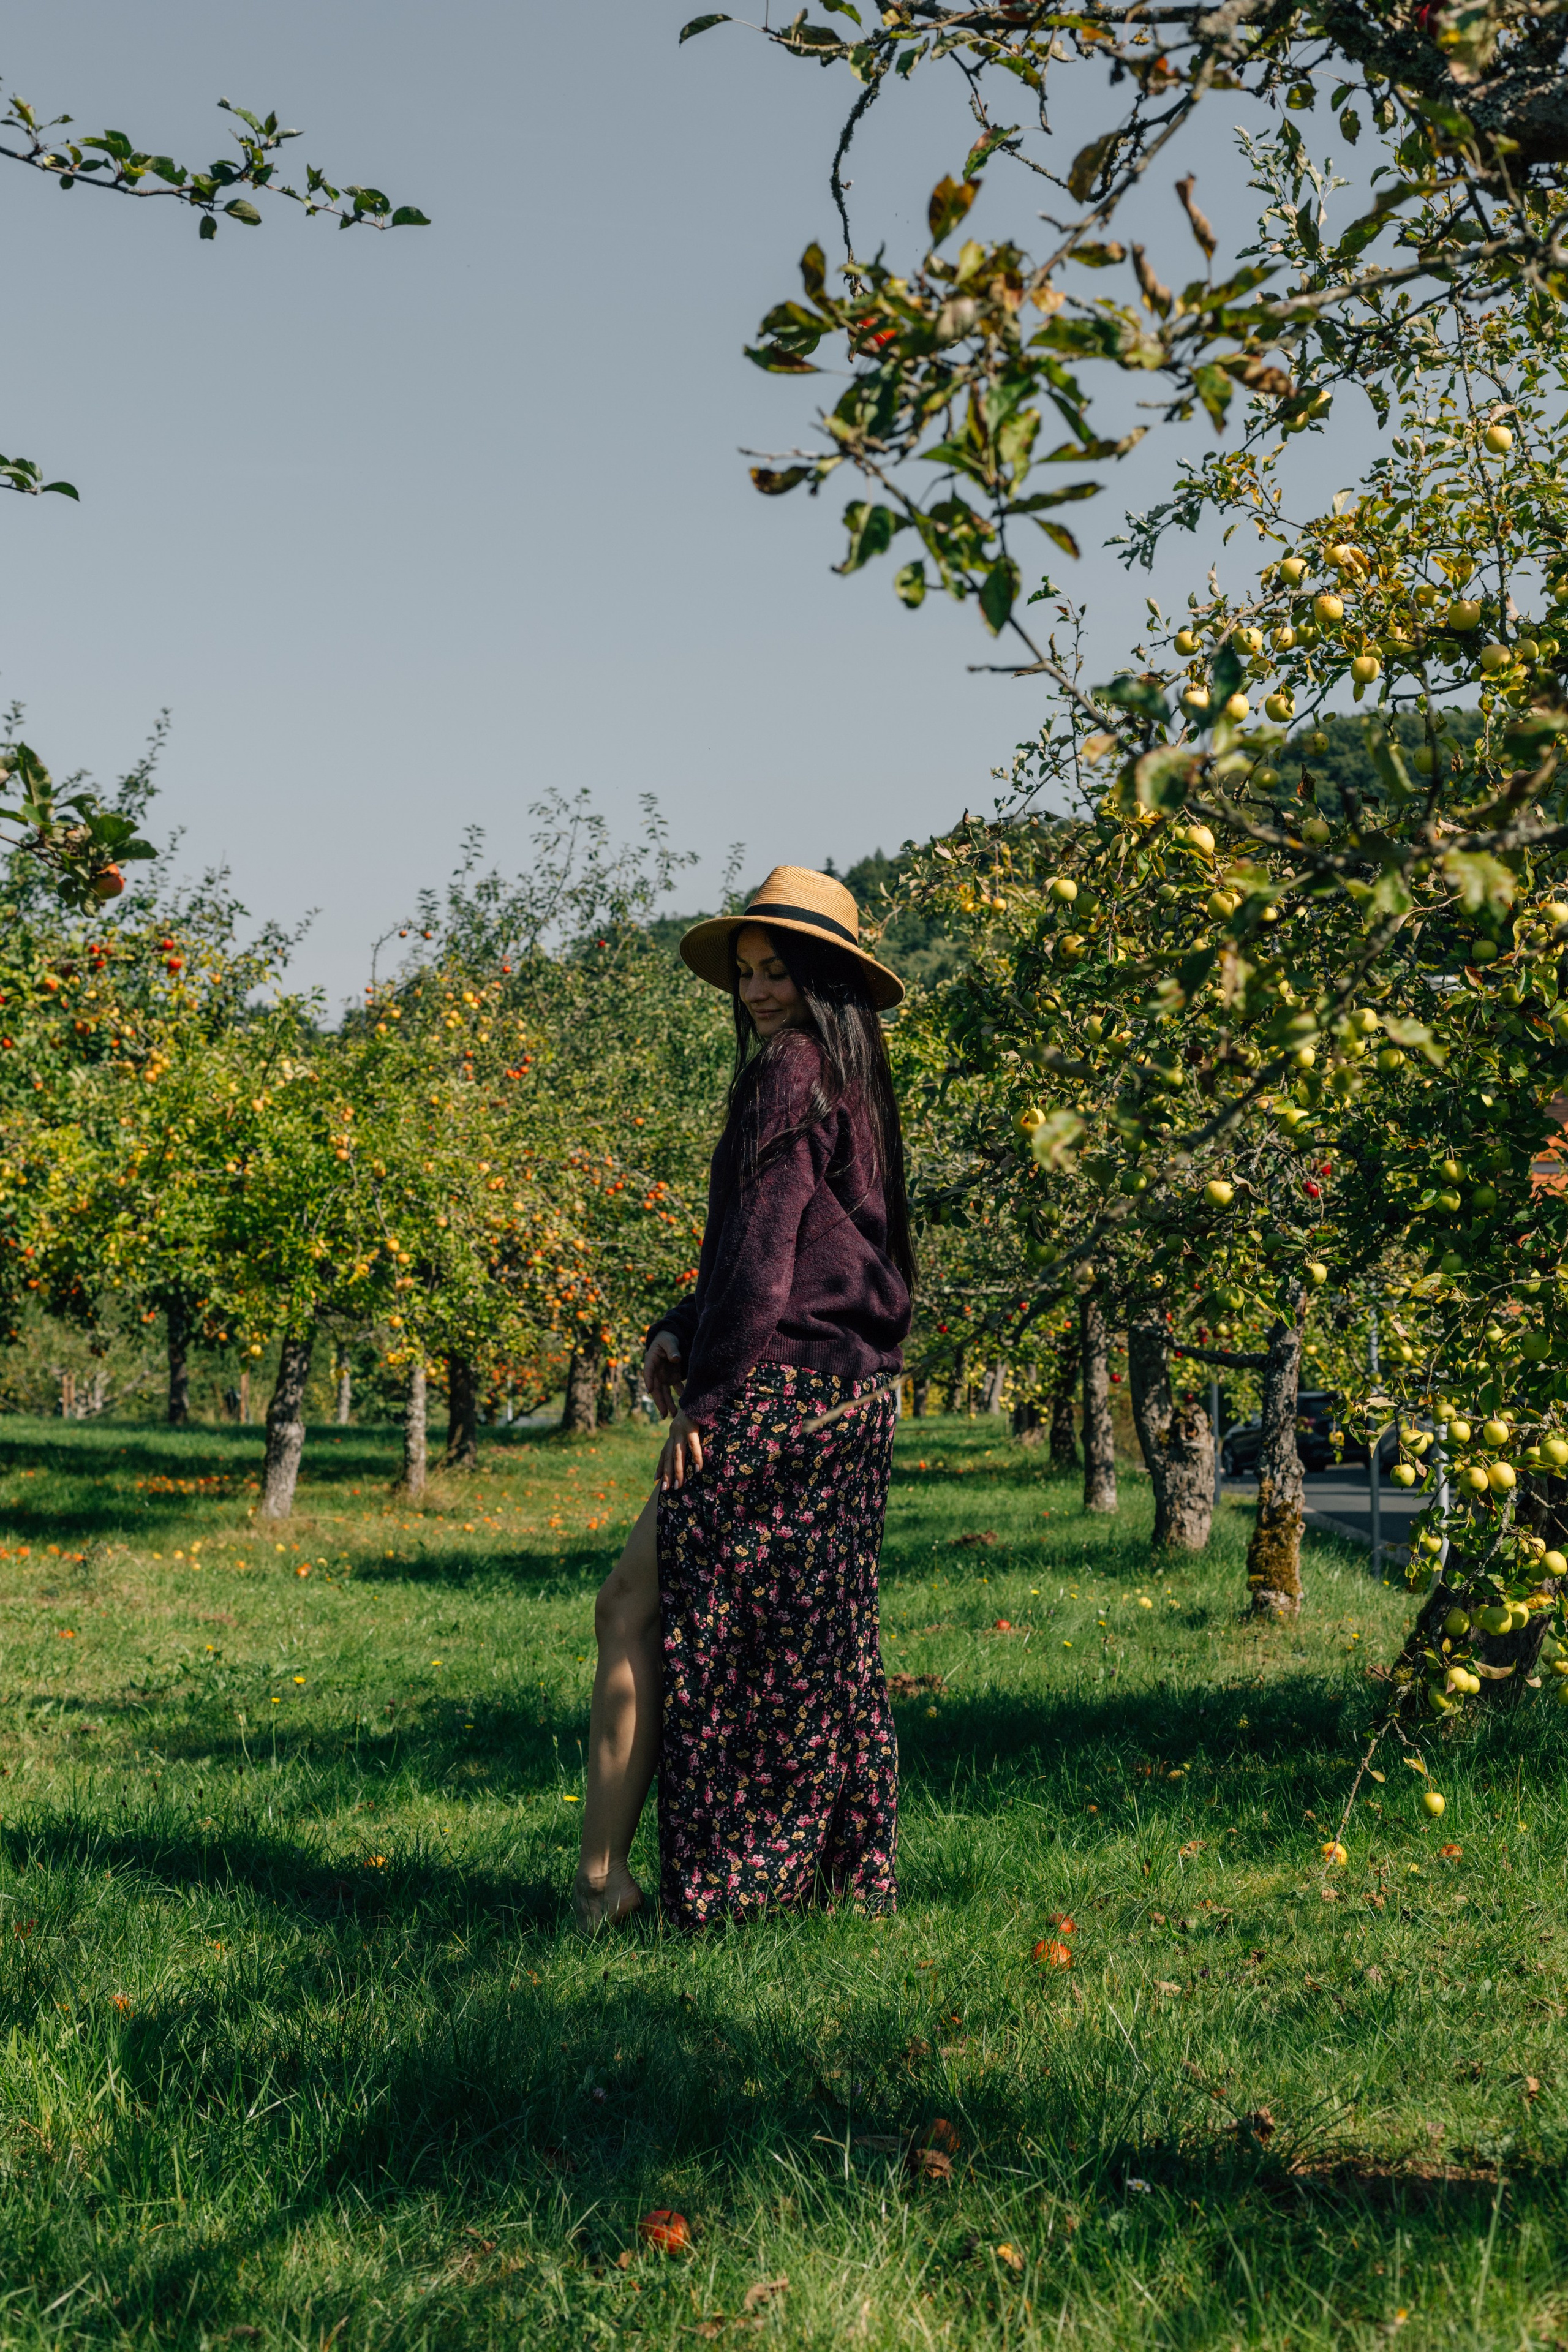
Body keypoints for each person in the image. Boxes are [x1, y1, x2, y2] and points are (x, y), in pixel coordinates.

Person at [572, 865, 914, 1931]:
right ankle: (826, 1876)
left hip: (778, 1396)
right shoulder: (852, 1079)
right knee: (814, 1641)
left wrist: (709, 1402)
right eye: (749, 973)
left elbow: (766, 1258)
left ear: (825, 980)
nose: (758, 991)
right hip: (847, 1399)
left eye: (779, 972)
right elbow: (787, 1247)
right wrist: (686, 1319)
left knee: (646, 1611)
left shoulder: (791, 1068)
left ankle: (605, 1886)